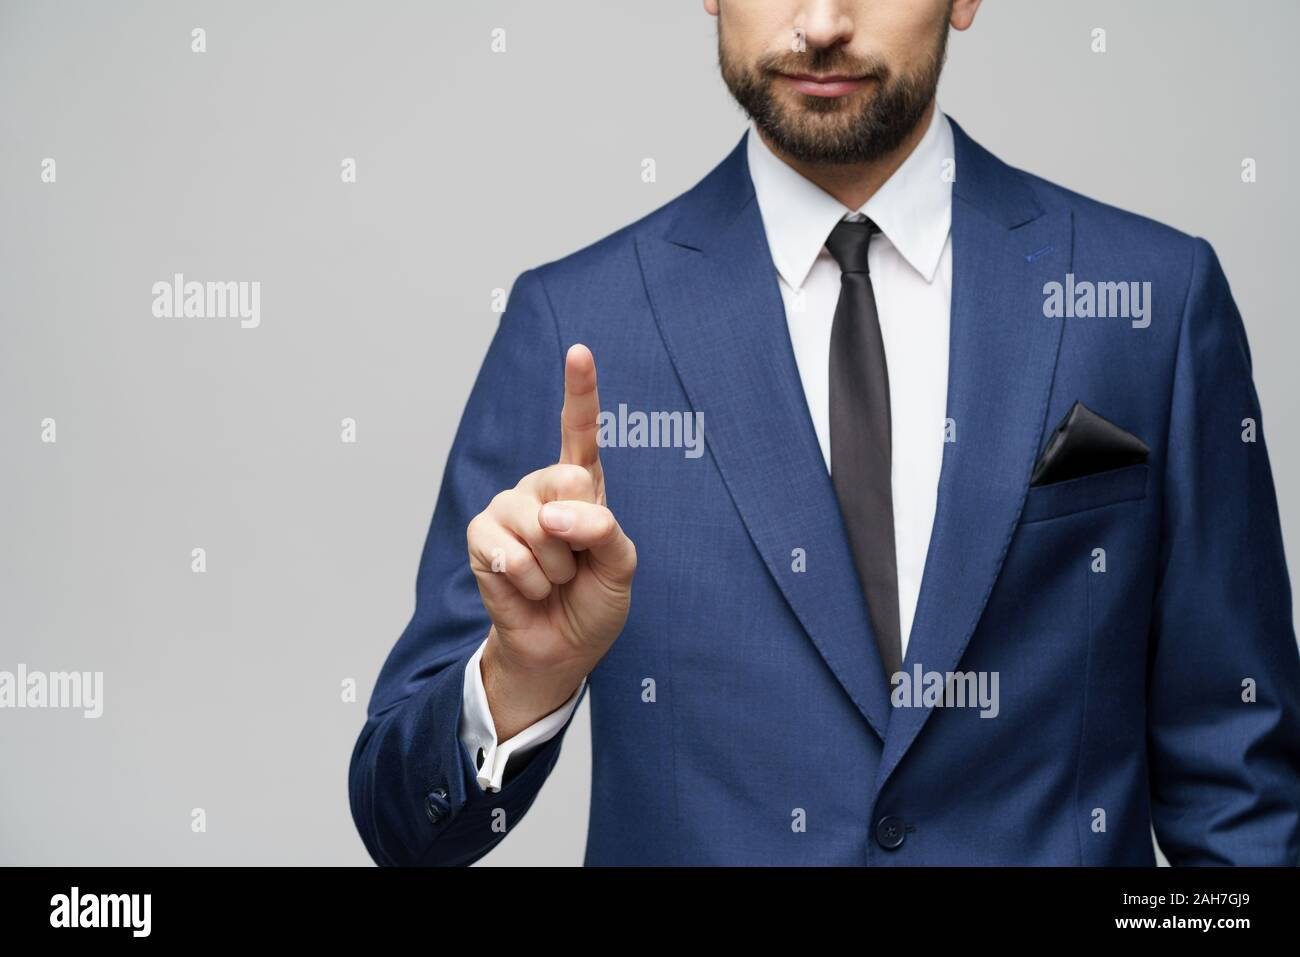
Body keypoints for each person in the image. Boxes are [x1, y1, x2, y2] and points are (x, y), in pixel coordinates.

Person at [349, 0, 1300, 866]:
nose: (821, 21)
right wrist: (521, 677)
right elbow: (403, 828)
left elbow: (1243, 790)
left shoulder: (1153, 304)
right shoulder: (575, 325)